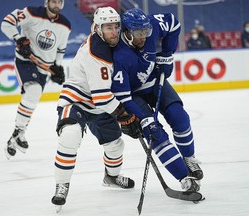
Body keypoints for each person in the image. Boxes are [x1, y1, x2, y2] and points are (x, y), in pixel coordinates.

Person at [51, 7, 137, 212]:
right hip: (77, 100)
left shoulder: (109, 42)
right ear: (97, 28)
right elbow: (102, 97)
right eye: (108, 27)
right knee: (70, 135)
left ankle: (112, 177)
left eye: (116, 26)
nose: (114, 31)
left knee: (116, 145)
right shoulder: (97, 51)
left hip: (99, 103)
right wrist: (125, 115)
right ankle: (61, 185)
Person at [111, 8, 204, 193]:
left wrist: (167, 54)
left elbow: (173, 22)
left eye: (145, 32)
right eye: (139, 33)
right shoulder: (118, 56)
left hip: (154, 81)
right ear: (127, 33)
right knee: (155, 133)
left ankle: (189, 158)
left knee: (181, 118)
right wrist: (142, 119)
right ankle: (184, 177)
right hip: (133, 96)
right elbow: (123, 97)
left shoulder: (150, 25)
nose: (144, 37)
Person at [1, 0, 71, 159]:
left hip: (44, 69)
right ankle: (19, 131)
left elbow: (61, 48)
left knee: (32, 98)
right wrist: (18, 38)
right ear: (47, 2)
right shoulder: (31, 12)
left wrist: (57, 67)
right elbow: (6, 23)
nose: (56, 4)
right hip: (25, 61)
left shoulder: (65, 24)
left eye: (59, 2)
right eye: (53, 1)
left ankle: (17, 135)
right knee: (33, 91)